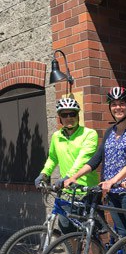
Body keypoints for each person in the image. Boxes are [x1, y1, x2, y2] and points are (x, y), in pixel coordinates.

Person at [64, 87, 126, 254]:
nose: (118, 107)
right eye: (114, 104)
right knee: (121, 235)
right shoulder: (110, 131)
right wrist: (73, 177)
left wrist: (112, 181)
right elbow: (95, 160)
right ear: (110, 107)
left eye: (121, 103)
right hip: (111, 194)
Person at [34, 97, 99, 233]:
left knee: (90, 234)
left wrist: (69, 177)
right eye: (64, 115)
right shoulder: (56, 136)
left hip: (86, 191)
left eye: (72, 114)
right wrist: (44, 174)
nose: (69, 118)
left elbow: (83, 158)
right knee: (67, 232)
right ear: (59, 118)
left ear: (78, 115)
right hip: (66, 193)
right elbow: (52, 158)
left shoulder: (89, 134)